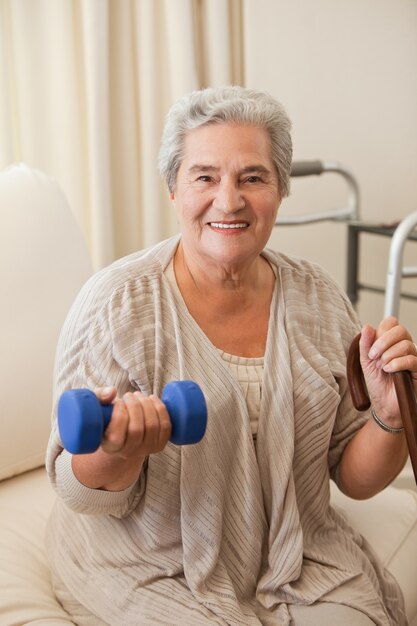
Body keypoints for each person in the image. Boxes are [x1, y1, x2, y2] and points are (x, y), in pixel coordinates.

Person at [45, 85, 416, 626]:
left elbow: (353, 479)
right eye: (204, 177)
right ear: (173, 189)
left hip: (296, 553)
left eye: (252, 177)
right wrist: (122, 453)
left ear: (280, 190)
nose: (229, 200)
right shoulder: (116, 303)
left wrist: (388, 415)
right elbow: (80, 490)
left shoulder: (318, 298)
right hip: (148, 561)